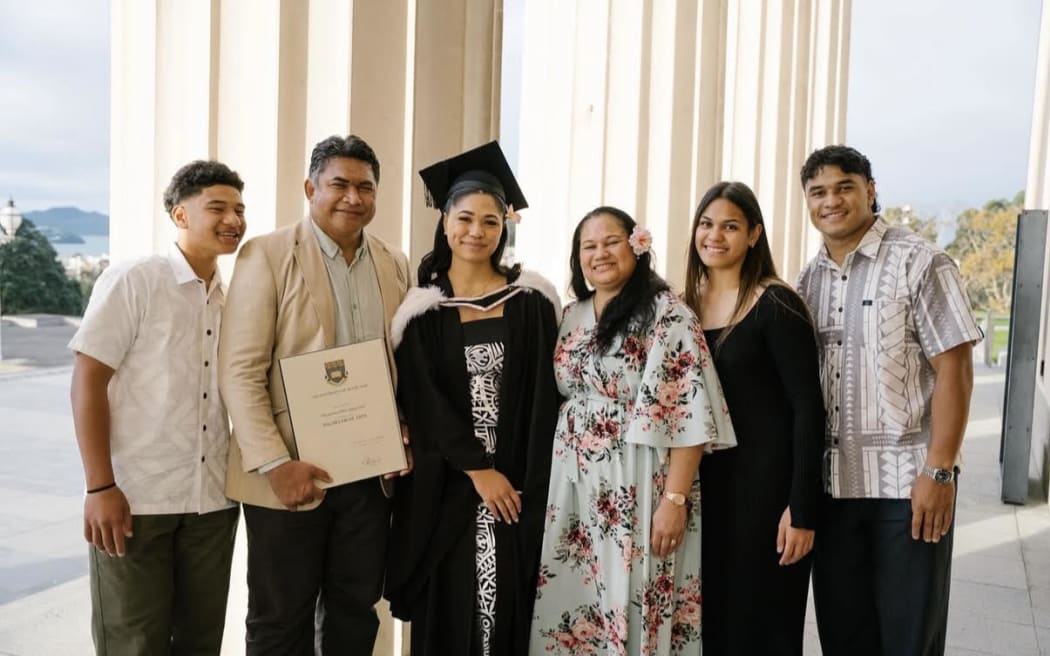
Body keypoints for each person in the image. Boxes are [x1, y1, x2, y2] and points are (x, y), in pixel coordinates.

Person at [218, 134, 411, 654]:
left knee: (355, 610)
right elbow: (239, 370)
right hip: (290, 475)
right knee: (280, 620)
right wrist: (275, 463)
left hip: (370, 476)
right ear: (310, 188)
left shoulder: (395, 262)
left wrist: (403, 433)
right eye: (339, 184)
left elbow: (404, 366)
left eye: (365, 187)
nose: (353, 197)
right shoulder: (268, 253)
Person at [797, 145, 981, 655]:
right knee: (845, 636)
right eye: (818, 192)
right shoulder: (806, 280)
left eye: (844, 187)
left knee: (909, 637)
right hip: (833, 492)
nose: (831, 201)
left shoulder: (920, 261)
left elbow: (955, 368)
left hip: (908, 489)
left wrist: (939, 471)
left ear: (870, 191)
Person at [528, 207, 735, 655]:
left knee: (634, 595)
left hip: (638, 482)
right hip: (574, 486)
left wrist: (674, 500)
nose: (599, 253)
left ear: (637, 247)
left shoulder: (666, 313)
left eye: (611, 242)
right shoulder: (570, 315)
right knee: (575, 598)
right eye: (588, 246)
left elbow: (689, 411)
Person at [384, 141, 562, 656]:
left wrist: (515, 476)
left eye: (489, 221)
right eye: (464, 218)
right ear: (444, 223)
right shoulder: (422, 313)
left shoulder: (532, 302)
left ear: (504, 227)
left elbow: (542, 400)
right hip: (449, 488)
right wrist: (478, 471)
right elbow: (422, 400)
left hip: (518, 483)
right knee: (452, 608)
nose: (476, 232)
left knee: (509, 608)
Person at [69, 160, 245, 654]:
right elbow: (87, 380)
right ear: (180, 215)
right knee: (133, 643)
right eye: (217, 207)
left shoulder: (231, 299)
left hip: (212, 503)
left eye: (239, 209)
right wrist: (99, 485)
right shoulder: (134, 280)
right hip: (134, 501)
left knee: (200, 642)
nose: (233, 219)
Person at [682, 181, 825, 655]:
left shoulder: (776, 303)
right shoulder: (682, 307)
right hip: (704, 490)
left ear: (754, 235)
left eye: (730, 226)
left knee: (762, 626)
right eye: (706, 224)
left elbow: (808, 408)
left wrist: (801, 510)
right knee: (711, 625)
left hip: (764, 498)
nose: (715, 236)